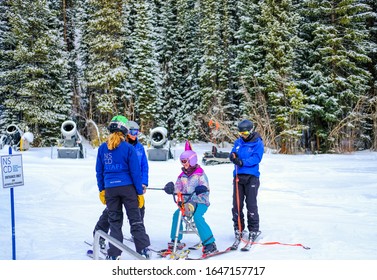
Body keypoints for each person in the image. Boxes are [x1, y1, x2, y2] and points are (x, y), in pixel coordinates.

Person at [95, 115, 150, 259]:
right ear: (124, 129)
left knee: (114, 222)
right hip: (128, 189)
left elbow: (99, 171)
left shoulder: (102, 148)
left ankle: (114, 254)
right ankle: (143, 249)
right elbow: (135, 173)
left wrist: (102, 190)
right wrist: (139, 192)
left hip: (111, 190)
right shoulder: (128, 148)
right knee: (135, 219)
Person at [164, 141, 218, 256]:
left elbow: (206, 187)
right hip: (187, 202)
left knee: (197, 216)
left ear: (192, 160)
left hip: (200, 202)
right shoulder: (182, 175)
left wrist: (201, 189)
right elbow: (178, 188)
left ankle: (210, 243)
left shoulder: (200, 174)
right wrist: (171, 189)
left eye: (185, 161)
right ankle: (176, 241)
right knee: (177, 214)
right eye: (182, 162)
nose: (184, 164)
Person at [229, 119, 264, 245]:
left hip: (251, 177)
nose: (242, 136)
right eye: (241, 133)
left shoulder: (257, 143)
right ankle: (238, 228)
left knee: (251, 204)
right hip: (238, 176)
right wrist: (232, 156)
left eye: (245, 133)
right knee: (237, 205)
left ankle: (253, 229)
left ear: (251, 131)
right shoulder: (238, 142)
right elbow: (234, 152)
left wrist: (242, 162)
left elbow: (256, 158)